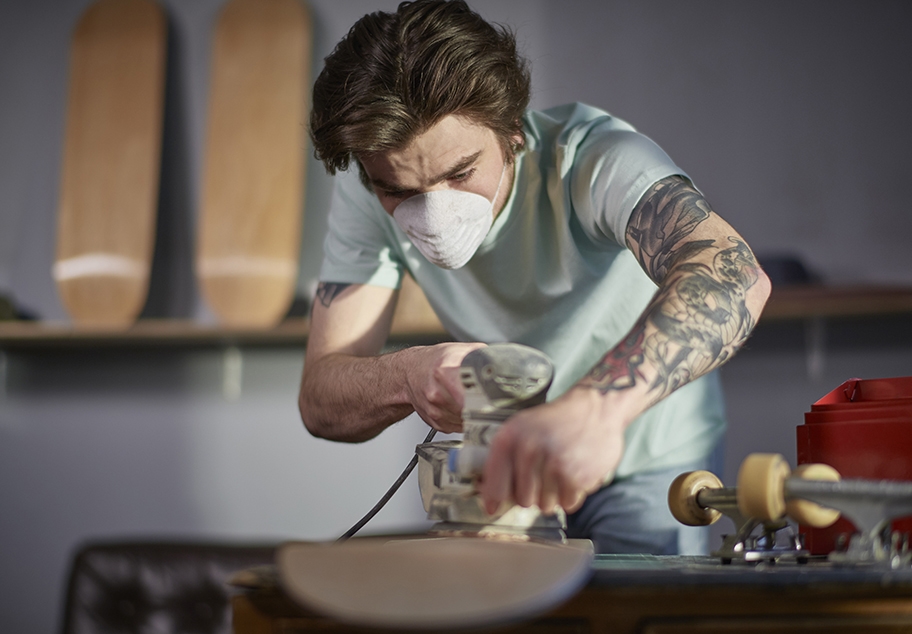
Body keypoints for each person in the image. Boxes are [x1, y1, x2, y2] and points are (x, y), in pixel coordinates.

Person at [298, 0, 770, 554]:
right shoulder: (364, 188)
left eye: (460, 172)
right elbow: (321, 397)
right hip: (509, 463)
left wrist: (595, 411)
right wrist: (408, 375)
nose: (431, 213)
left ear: (512, 132)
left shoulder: (593, 158)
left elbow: (735, 275)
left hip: (647, 455)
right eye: (399, 191)